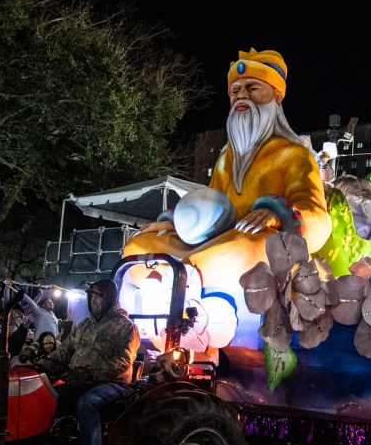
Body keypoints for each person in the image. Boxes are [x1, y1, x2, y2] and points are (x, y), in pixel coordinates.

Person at [123, 48, 332, 286]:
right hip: (215, 243)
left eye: (252, 88)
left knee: (248, 248)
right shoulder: (226, 159)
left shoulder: (295, 155)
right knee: (138, 245)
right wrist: (178, 223)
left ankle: (178, 279)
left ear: (276, 96)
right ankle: (179, 277)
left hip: (251, 245)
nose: (242, 96)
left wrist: (277, 214)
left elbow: (319, 221)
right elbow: (211, 209)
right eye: (236, 91)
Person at [44, 278, 139, 445]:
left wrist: (89, 373)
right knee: (48, 395)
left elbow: (123, 361)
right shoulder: (84, 325)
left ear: (109, 298)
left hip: (113, 384)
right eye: (91, 296)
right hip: (80, 379)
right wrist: (45, 361)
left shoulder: (125, 327)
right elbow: (66, 349)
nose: (93, 300)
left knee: (88, 403)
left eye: (98, 296)